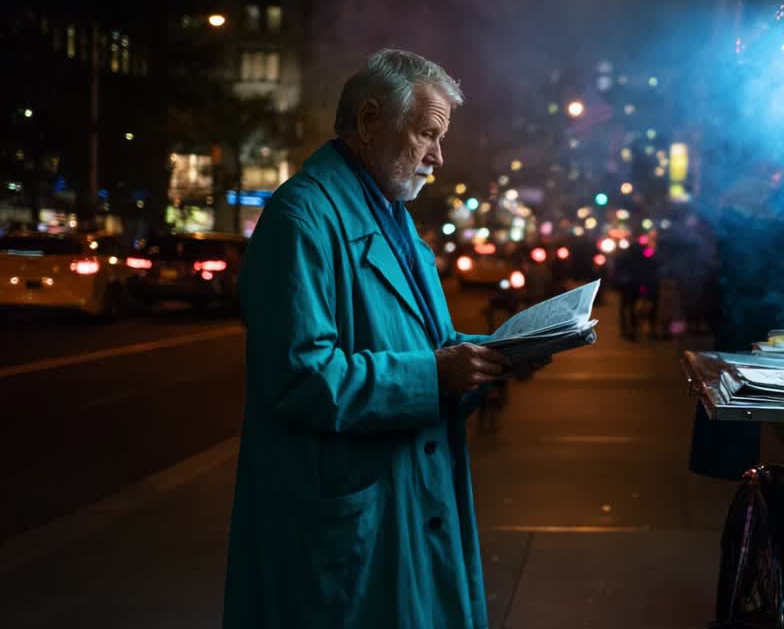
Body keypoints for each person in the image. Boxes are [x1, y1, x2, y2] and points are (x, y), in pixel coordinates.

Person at [223, 49, 544, 628]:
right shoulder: (301, 220)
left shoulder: (396, 225)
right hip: (344, 522)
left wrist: (503, 352)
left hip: (400, 504)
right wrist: (438, 374)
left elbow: (432, 343)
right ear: (370, 122)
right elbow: (301, 378)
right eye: (427, 134)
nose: (438, 158)